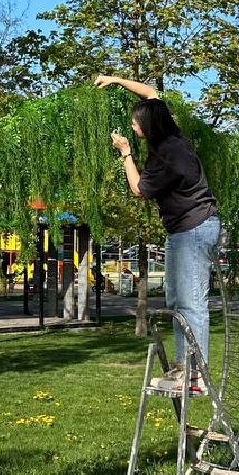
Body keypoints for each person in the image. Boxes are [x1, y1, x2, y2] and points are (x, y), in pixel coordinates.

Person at [94, 74, 221, 381]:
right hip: (187, 229)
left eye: (135, 123)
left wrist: (125, 153)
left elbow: (138, 189)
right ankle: (183, 365)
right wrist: (115, 80)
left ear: (147, 127)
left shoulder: (166, 158)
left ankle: (195, 371)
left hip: (193, 228)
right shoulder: (172, 135)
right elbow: (150, 93)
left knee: (190, 303)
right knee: (177, 301)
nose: (132, 126)